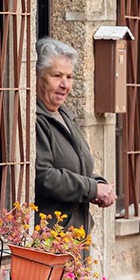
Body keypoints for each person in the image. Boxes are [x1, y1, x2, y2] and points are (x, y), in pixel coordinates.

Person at [34, 38, 115, 233]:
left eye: (69, 77)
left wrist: (98, 184)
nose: (64, 84)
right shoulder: (36, 119)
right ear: (37, 77)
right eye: (57, 76)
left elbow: (75, 168)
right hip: (50, 236)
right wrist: (91, 188)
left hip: (74, 233)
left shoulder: (65, 115)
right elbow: (43, 176)